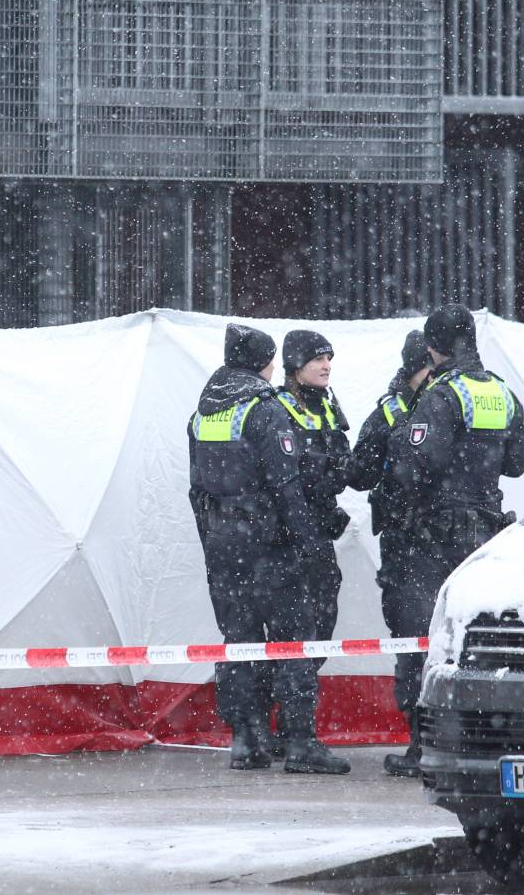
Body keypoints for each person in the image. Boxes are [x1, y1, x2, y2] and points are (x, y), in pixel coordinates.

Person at [188, 323, 351, 774]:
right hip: (271, 547)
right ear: (263, 363)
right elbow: (286, 486)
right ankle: (299, 743)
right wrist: (309, 546)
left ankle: (246, 739)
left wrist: (213, 543)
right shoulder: (266, 410)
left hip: (224, 551)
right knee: (292, 642)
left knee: (239, 643)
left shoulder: (204, 413)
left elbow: (196, 490)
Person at [385, 304, 524, 777]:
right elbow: (517, 464)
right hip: (485, 534)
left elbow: (419, 465)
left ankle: (423, 746)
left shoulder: (440, 396)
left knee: (424, 636)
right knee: (481, 637)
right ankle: (484, 740)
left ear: (433, 347)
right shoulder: (503, 394)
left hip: (434, 535)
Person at [342, 330, 435, 777]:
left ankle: (438, 742)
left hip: (436, 544)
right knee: (413, 643)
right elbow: (357, 474)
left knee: (431, 643)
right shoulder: (390, 411)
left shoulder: (445, 404)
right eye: (430, 369)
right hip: (405, 545)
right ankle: (420, 741)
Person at [269, 330, 351, 750]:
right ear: (295, 366)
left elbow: (342, 461)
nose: (325, 365)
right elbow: (289, 475)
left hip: (319, 533)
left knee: (320, 624)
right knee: (297, 629)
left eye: (328, 357)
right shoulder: (280, 408)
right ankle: (293, 731)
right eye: (317, 358)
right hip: (292, 537)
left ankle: (289, 721)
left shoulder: (329, 406)